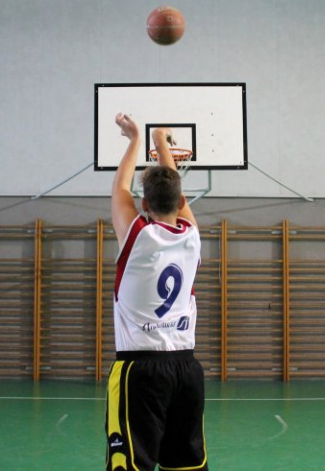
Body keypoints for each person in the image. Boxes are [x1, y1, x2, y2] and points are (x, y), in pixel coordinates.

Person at [105, 113, 208, 471]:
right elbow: (175, 196)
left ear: (144, 205)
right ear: (180, 202)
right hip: (186, 369)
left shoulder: (136, 236)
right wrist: (162, 142)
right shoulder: (192, 235)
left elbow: (120, 189)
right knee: (186, 465)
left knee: (130, 465)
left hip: (140, 369)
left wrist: (135, 139)